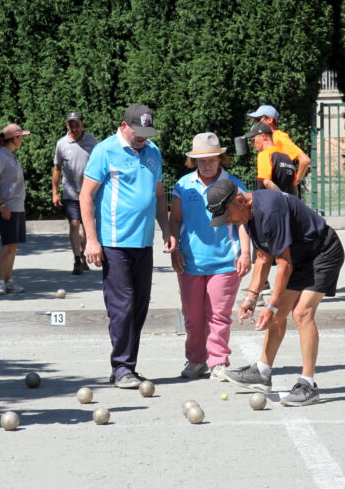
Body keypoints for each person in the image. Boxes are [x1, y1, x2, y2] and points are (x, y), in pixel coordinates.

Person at [207, 178, 345, 406]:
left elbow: (284, 264)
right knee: (280, 313)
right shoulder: (248, 215)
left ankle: (308, 384)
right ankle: (262, 371)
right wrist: (251, 297)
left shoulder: (269, 211)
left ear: (240, 201)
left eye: (228, 215)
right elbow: (262, 257)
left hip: (322, 252)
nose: (228, 222)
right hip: (300, 257)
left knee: (301, 313)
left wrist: (270, 306)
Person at [80, 103, 176, 389]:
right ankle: (121, 367)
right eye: (138, 132)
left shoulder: (153, 152)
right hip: (113, 241)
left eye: (147, 132)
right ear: (124, 126)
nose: (143, 137)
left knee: (139, 308)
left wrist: (166, 229)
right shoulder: (105, 151)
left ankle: (127, 367)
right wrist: (92, 240)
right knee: (122, 306)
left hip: (143, 241)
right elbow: (86, 196)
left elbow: (158, 195)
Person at [169, 133, 251, 381]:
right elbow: (175, 220)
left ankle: (218, 362)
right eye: (201, 160)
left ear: (220, 158)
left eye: (212, 159)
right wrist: (175, 250)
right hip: (190, 261)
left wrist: (246, 253)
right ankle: (195, 360)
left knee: (218, 315)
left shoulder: (234, 185)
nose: (207, 164)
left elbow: (243, 222)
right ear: (193, 161)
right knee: (192, 317)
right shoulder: (183, 185)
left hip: (225, 261)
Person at [52, 111, 98, 275]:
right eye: (71, 124)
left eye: (77, 124)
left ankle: (82, 254)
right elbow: (57, 168)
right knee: (74, 224)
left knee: (87, 227)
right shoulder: (62, 144)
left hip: (90, 192)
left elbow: (101, 165)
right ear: (67, 125)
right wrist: (55, 192)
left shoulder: (92, 141)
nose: (74, 127)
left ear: (82, 124)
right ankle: (77, 259)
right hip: (70, 192)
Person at [0, 123, 30, 295]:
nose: (22, 140)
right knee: (7, 245)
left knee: (13, 246)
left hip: (17, 206)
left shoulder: (11, 156)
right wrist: (2, 204)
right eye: (20, 137)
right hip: (7, 207)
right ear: (14, 138)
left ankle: (9, 280)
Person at [247, 105, 311, 194]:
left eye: (258, 119)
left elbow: (305, 160)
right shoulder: (270, 138)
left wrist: (295, 183)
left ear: (270, 119)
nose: (256, 123)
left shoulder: (279, 137)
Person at [242, 121, 299, 196]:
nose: (252, 144)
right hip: (287, 206)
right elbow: (294, 187)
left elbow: (267, 182)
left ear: (263, 136)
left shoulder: (265, 154)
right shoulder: (287, 157)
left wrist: (283, 198)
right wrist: (290, 202)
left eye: (253, 140)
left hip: (269, 205)